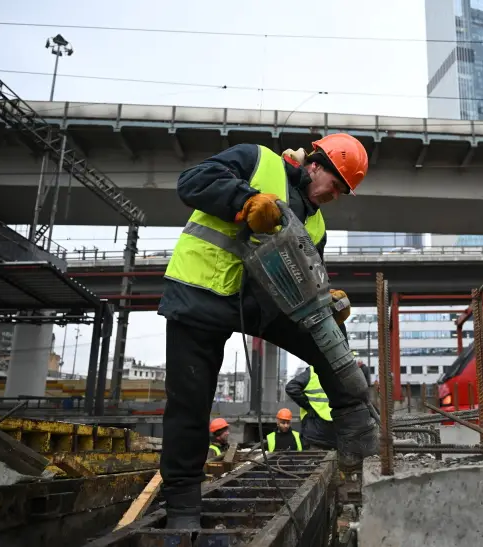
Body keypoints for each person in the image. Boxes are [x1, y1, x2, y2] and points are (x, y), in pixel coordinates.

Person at [157, 134, 379, 529]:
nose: (336, 196)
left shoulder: (317, 223)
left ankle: (356, 428)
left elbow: (309, 279)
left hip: (260, 307)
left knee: (329, 337)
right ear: (316, 165)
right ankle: (182, 506)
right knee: (189, 404)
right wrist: (244, 202)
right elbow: (192, 181)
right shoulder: (257, 161)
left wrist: (328, 300)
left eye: (345, 191)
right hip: (201, 292)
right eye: (336, 185)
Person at [286, 364, 336, 450]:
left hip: (314, 431)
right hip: (336, 431)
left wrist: (308, 406)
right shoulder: (339, 372)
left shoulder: (312, 372)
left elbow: (291, 387)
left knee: (314, 460)